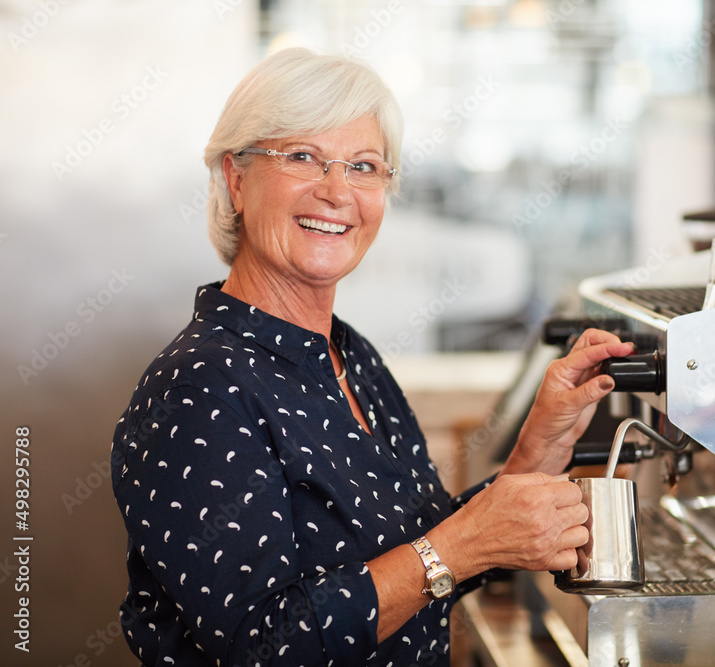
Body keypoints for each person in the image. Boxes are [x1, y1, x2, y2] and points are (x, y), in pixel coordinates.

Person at [110, 47, 632, 666]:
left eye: (364, 166)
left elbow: (421, 567)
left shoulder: (349, 356)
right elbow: (263, 648)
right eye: (303, 157)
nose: (337, 193)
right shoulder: (198, 386)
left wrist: (540, 443)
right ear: (237, 177)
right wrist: (461, 547)